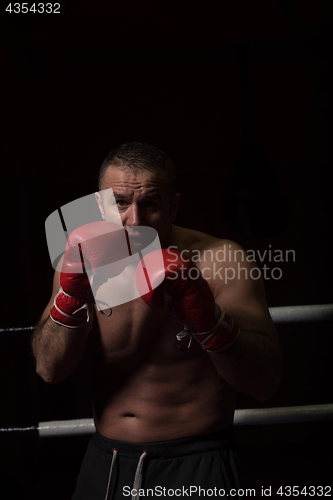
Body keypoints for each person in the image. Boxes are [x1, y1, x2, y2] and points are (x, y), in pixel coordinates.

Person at [32, 142, 283, 500]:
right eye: (120, 202)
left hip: (197, 460)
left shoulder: (220, 260)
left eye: (149, 203)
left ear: (173, 206)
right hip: (108, 461)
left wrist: (209, 322)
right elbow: (49, 369)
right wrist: (69, 299)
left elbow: (264, 382)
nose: (134, 220)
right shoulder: (81, 260)